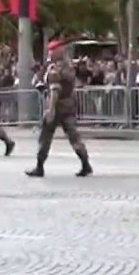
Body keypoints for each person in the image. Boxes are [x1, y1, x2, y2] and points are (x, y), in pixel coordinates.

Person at [26, 39, 93, 178]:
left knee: (45, 137)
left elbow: (55, 89)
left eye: (51, 51)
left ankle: (39, 166)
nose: (49, 53)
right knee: (74, 137)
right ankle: (85, 163)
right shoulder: (68, 67)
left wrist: (50, 109)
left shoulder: (55, 70)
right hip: (69, 105)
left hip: (56, 105)